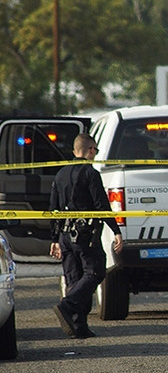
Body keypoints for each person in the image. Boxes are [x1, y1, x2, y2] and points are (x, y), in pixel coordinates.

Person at [50, 134, 123, 339]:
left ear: (75, 151)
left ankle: (78, 326)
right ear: (91, 150)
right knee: (95, 272)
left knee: (74, 279)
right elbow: (101, 205)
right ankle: (68, 305)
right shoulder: (90, 173)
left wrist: (54, 238)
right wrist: (116, 231)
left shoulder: (60, 174)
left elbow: (52, 209)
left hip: (65, 235)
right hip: (85, 235)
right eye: (96, 151)